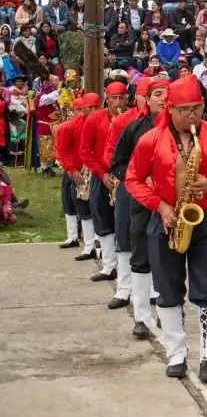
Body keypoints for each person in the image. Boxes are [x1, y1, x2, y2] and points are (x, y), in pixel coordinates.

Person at [125, 75, 207, 383]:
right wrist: (162, 208)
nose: (193, 115)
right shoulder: (150, 140)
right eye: (185, 110)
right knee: (167, 289)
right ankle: (175, 353)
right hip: (165, 220)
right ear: (170, 109)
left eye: (197, 108)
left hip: (204, 219)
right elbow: (132, 180)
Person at [110, 79, 169, 339]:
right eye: (158, 94)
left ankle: (169, 314)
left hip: (172, 205)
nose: (163, 98)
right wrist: (138, 178)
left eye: (168, 94)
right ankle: (142, 317)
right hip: (142, 203)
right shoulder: (134, 128)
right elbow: (118, 163)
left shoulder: (184, 129)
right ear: (146, 98)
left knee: (169, 259)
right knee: (141, 258)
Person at [102, 78, 152, 310]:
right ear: (140, 97)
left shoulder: (169, 122)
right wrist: (133, 175)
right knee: (124, 234)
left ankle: (152, 288)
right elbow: (110, 156)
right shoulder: (124, 121)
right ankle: (123, 288)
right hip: (128, 184)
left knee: (152, 235)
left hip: (156, 188)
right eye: (150, 94)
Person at [80, 82, 127, 282]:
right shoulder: (94, 120)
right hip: (103, 176)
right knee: (101, 218)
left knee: (125, 222)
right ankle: (109, 266)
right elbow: (85, 150)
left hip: (126, 177)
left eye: (121, 97)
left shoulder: (132, 118)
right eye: (113, 98)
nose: (117, 102)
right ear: (106, 99)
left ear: (127, 98)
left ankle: (128, 269)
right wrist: (101, 173)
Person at [54, 97, 89, 249]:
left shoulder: (92, 125)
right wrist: (68, 168)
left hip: (88, 170)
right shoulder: (66, 127)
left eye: (83, 109)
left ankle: (90, 239)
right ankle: (72, 235)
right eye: (78, 109)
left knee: (87, 206)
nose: (81, 112)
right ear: (73, 111)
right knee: (69, 201)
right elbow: (61, 150)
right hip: (71, 170)